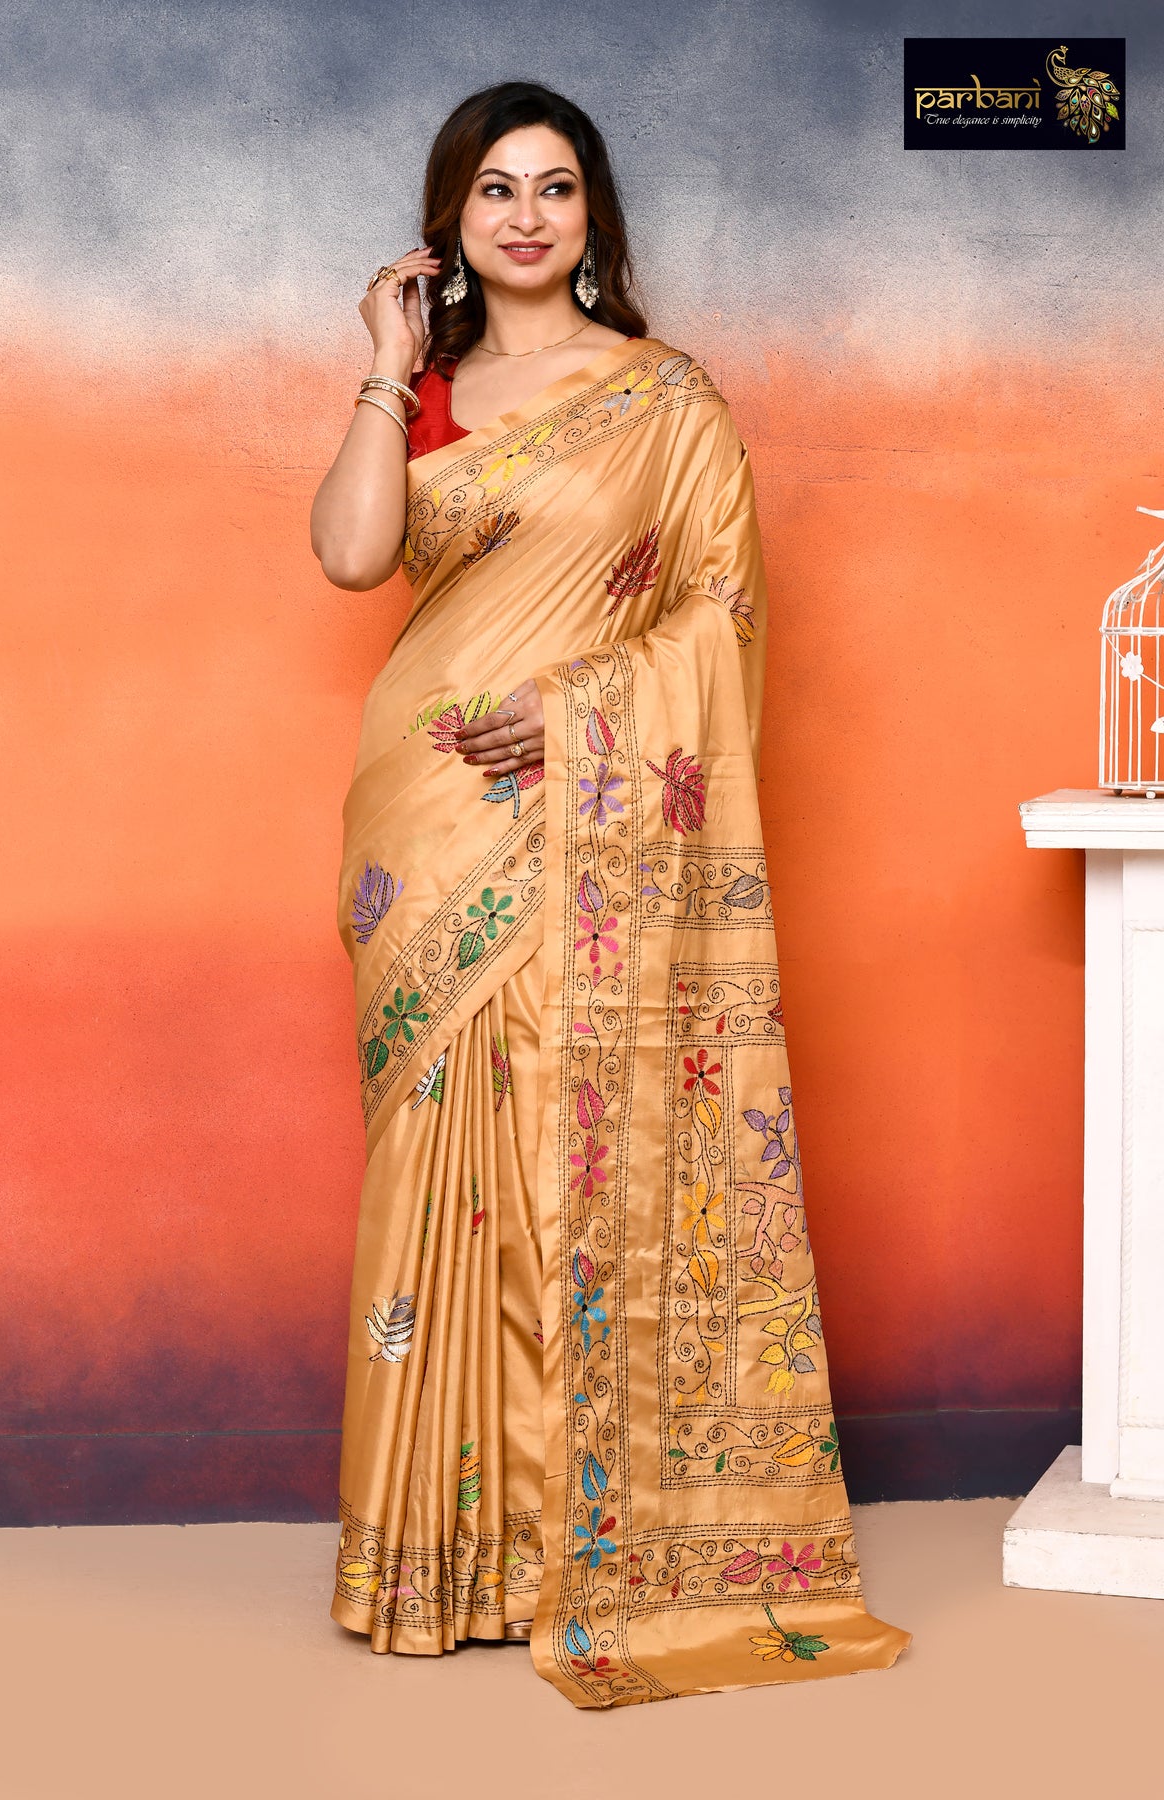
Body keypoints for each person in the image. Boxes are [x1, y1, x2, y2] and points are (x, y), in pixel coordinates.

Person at [310, 80, 911, 1709]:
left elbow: (726, 615)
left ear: (594, 216)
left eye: (556, 187)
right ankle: (438, 1553)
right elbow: (353, 558)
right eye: (495, 189)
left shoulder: (664, 400)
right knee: (440, 1165)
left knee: (569, 1151)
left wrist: (581, 711)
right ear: (451, 219)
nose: (526, 215)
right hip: (426, 817)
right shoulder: (426, 394)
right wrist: (386, 359)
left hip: (581, 810)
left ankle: (566, 1548)